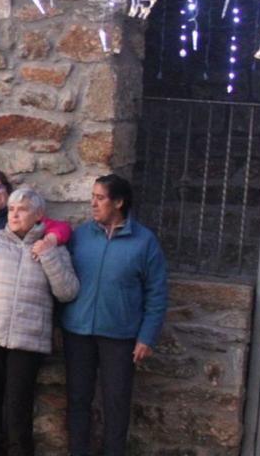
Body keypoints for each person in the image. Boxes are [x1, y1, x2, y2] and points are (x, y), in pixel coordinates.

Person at [0, 188, 80, 456]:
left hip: (27, 341)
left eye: (21, 210)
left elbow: (67, 291)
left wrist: (47, 254)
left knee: (18, 410)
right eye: (11, 209)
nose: (14, 214)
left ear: (38, 216)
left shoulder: (53, 247)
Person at [62, 174, 168, 456]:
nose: (93, 204)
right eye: (92, 197)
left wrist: (147, 336)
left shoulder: (145, 242)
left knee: (117, 402)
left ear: (119, 202)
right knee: (77, 399)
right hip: (77, 331)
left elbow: (156, 293)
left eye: (100, 198)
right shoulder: (81, 235)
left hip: (120, 336)